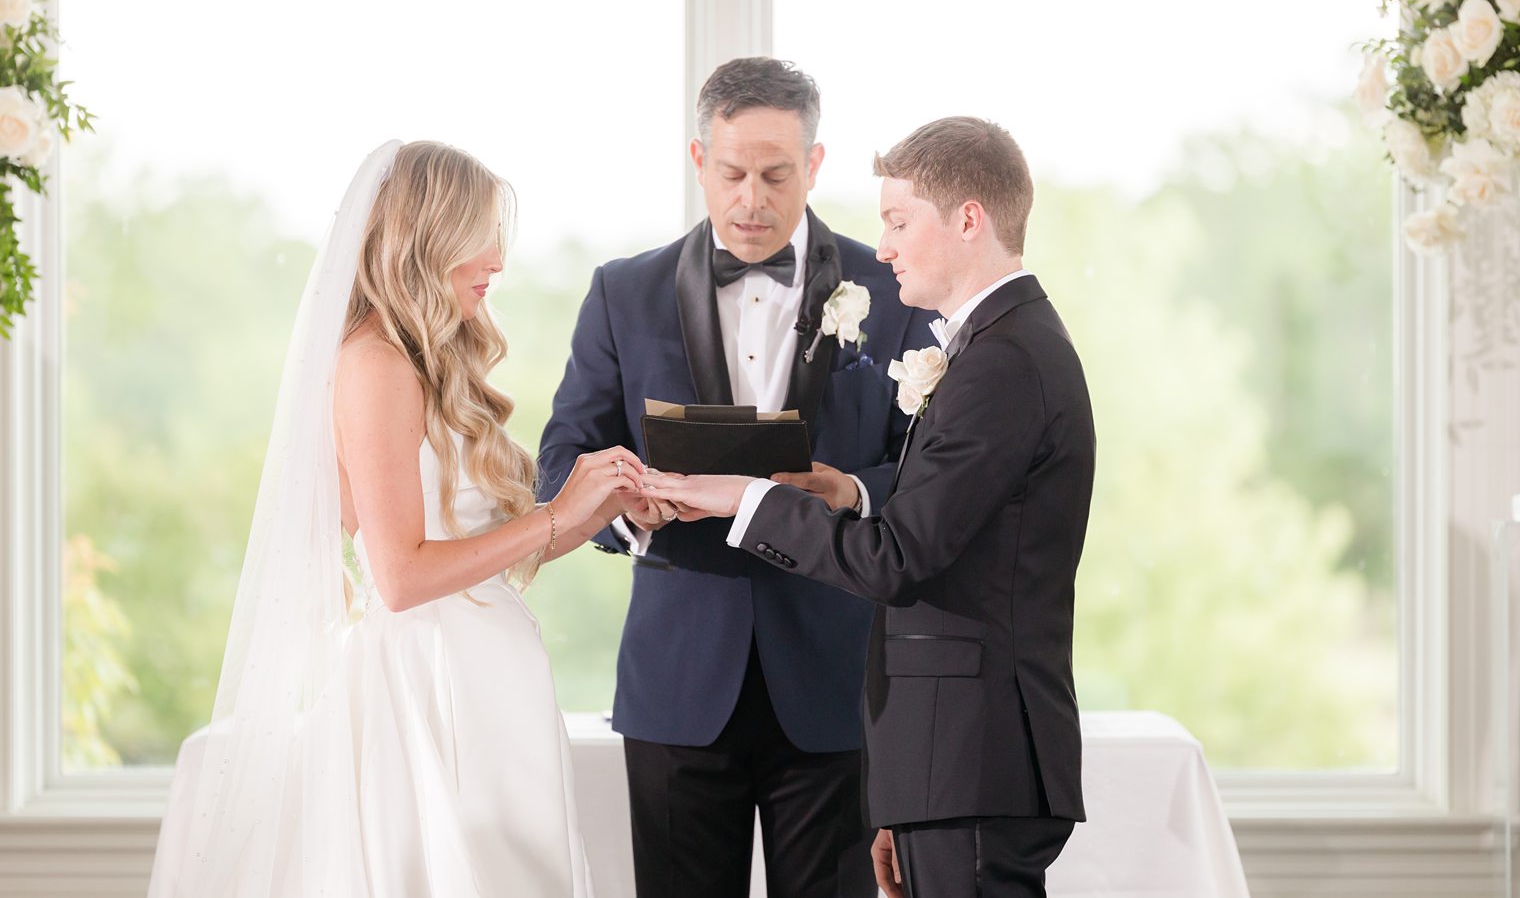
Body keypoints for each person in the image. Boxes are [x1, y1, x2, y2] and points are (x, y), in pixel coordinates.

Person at [149, 140, 639, 897]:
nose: (498, 259)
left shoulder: (431, 359)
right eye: (481, 233)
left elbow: (486, 556)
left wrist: (596, 505)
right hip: (429, 687)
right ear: (430, 234)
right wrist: (555, 515)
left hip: (487, 682)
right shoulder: (374, 363)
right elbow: (403, 575)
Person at [639, 116, 1097, 898]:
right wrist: (899, 797)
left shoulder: (1005, 361)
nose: (881, 247)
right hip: (948, 769)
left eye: (897, 220)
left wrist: (746, 498)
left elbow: (896, 557)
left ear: (968, 220)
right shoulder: (995, 346)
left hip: (973, 764)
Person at [538, 58, 937, 897]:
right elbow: (561, 464)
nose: (751, 198)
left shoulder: (891, 288)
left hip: (834, 679)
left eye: (776, 174)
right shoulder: (622, 292)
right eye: (731, 173)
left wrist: (846, 489)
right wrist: (631, 508)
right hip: (678, 680)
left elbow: (930, 468)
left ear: (816, 166)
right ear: (697, 159)